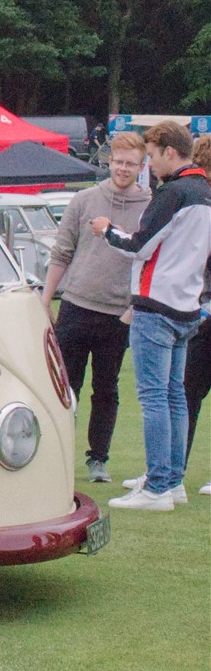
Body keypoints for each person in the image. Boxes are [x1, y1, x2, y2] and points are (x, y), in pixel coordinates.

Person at [90, 121, 211, 511]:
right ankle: (171, 480)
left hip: (156, 306)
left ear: (169, 153)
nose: (150, 165)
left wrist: (108, 230)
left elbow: (139, 247)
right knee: (175, 396)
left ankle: (158, 485)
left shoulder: (173, 192)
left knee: (155, 397)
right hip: (186, 307)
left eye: (153, 155)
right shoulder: (205, 193)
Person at [40, 132, 150, 483]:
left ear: (141, 167)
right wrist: (46, 299)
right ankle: (56, 457)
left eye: (130, 164)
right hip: (76, 305)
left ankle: (97, 460)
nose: (122, 168)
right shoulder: (84, 200)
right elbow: (62, 252)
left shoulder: (150, 207)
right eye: (118, 161)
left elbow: (149, 261)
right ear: (109, 161)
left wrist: (134, 307)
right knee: (65, 386)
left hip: (118, 313)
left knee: (106, 388)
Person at [183, 134, 211, 496]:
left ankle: (172, 471)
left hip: (199, 307)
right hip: (198, 309)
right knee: (187, 393)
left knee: (187, 393)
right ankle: (172, 471)